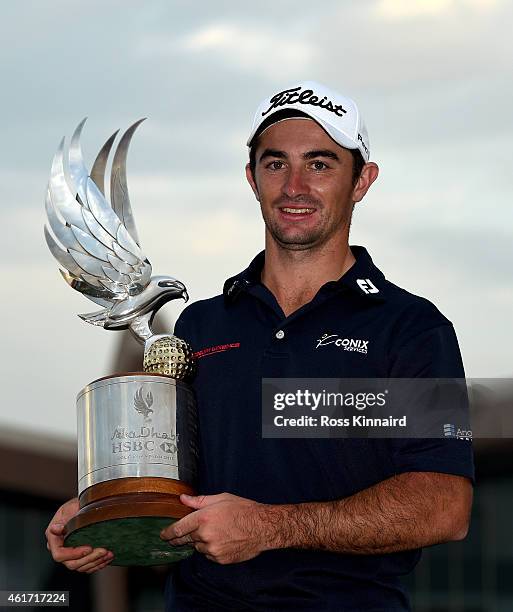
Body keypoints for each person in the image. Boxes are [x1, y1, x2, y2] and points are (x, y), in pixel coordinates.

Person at [46, 81, 474, 610]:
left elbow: (445, 505)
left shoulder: (411, 329)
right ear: (252, 178)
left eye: (320, 165)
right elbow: (176, 486)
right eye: (275, 165)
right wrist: (103, 506)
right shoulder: (200, 327)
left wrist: (269, 527)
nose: (295, 186)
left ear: (362, 181)